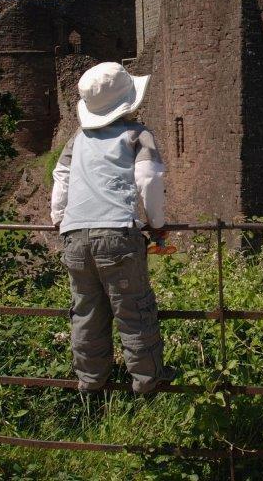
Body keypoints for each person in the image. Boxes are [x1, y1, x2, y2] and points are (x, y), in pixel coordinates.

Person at [51, 61, 176, 394]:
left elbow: (61, 177)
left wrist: (58, 215)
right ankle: (148, 386)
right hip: (118, 232)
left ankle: (91, 385)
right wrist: (157, 223)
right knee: (134, 310)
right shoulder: (137, 134)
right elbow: (148, 179)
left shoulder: (76, 139)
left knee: (87, 313)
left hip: (74, 235)